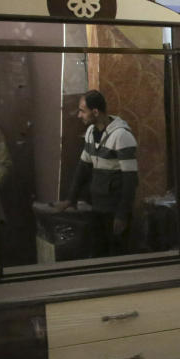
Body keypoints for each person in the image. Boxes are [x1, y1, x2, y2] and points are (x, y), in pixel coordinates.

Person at [54, 90, 138, 256]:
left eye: (82, 111)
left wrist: (122, 215)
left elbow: (130, 180)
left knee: (116, 256)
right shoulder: (91, 133)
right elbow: (83, 168)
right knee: (98, 254)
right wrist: (71, 199)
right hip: (97, 206)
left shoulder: (121, 135)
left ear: (95, 112)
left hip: (114, 209)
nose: (79, 115)